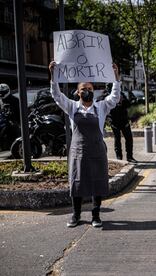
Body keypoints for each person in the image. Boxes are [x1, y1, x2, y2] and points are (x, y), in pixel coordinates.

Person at [49, 61, 121, 228]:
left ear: (93, 91)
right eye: (84, 89)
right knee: (77, 182)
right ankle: (76, 215)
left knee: (97, 182)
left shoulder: (102, 107)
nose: (87, 91)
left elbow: (115, 96)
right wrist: (53, 76)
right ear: (78, 92)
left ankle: (96, 216)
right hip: (78, 151)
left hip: (97, 151)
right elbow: (57, 96)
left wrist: (116, 76)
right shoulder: (72, 107)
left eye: (90, 88)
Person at [104, 83, 137, 163]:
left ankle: (130, 157)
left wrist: (122, 101)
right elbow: (104, 108)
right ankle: (119, 158)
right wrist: (108, 119)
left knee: (129, 139)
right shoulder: (106, 97)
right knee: (117, 140)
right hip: (114, 122)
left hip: (124, 121)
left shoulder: (121, 94)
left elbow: (128, 104)